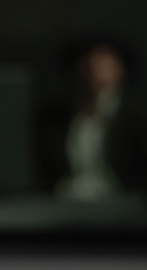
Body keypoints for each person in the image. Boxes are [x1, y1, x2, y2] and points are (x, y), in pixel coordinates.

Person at [33, 37, 147, 202]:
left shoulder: (136, 119)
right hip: (65, 203)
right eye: (87, 65)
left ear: (120, 69)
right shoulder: (54, 119)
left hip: (124, 204)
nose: (95, 74)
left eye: (104, 65)